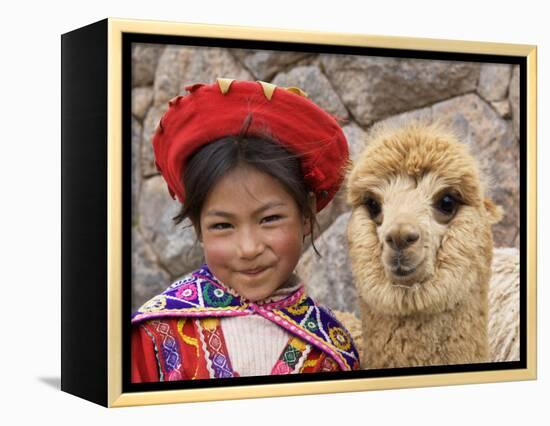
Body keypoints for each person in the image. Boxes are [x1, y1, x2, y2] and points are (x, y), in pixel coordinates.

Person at [131, 78, 360, 382]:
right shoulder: (153, 336)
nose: (249, 248)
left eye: (269, 219)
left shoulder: (332, 352)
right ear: (199, 228)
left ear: (305, 215)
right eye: (223, 225)